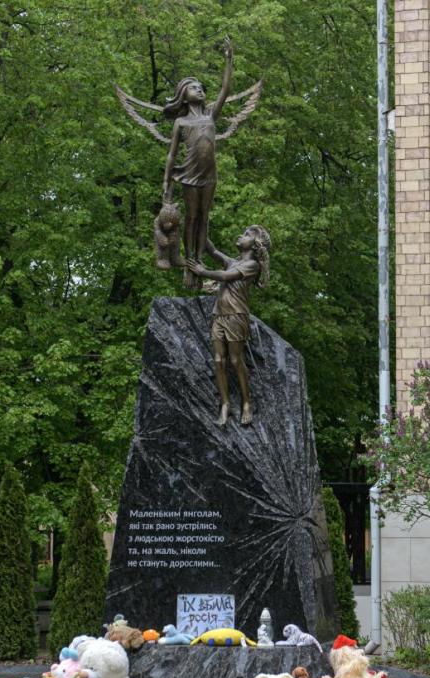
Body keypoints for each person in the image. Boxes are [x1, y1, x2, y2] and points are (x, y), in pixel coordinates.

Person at [185, 225, 271, 426]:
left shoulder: (252, 265)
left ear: (256, 244)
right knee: (218, 359)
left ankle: (247, 403)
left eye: (248, 234)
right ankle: (225, 404)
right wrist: (200, 225)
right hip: (219, 314)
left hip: (236, 316)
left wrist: (202, 271)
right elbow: (212, 250)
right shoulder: (233, 261)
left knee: (235, 359)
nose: (242, 234)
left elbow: (224, 277)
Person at [163, 39, 234, 270]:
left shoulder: (210, 115)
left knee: (204, 217)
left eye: (202, 88)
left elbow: (226, 89)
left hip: (209, 174)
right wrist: (167, 182)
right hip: (190, 172)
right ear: (183, 96)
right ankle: (190, 259)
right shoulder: (181, 122)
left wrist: (228, 59)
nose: (200, 90)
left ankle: (199, 259)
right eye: (195, 88)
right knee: (191, 217)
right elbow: (172, 155)